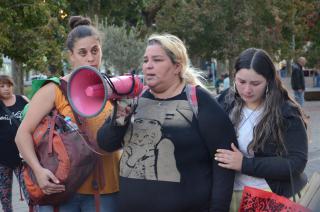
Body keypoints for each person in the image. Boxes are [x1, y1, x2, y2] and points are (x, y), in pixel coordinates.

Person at [97, 33, 237, 212]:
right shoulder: (134, 99)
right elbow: (105, 144)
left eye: (157, 60)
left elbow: (224, 162)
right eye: (146, 60)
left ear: (177, 66)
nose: (148, 66)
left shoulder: (199, 101)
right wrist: (120, 115)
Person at [15, 16, 120, 212]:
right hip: (62, 190)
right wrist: (38, 172)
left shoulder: (114, 88)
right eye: (83, 52)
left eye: (95, 51)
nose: (90, 58)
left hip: (106, 190)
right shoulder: (55, 89)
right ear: (71, 56)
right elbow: (22, 135)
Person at [215, 48, 308, 211]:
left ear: (269, 81)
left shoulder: (286, 112)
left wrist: (244, 164)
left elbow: (296, 163)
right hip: (227, 194)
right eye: (241, 81)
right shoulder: (224, 101)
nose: (247, 90)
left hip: (265, 195)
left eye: (255, 83)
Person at [0, 75, 29, 212]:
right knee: (5, 198)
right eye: (2, 86)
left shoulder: (22, 100)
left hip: (23, 157)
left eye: (8, 85)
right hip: (2, 160)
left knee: (31, 194)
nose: (6, 89)